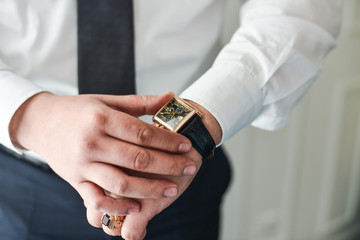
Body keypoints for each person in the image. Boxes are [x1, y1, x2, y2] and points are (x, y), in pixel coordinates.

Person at [0, 0, 342, 240]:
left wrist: (203, 118)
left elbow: (298, 9)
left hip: (183, 171)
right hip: (22, 185)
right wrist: (32, 117)